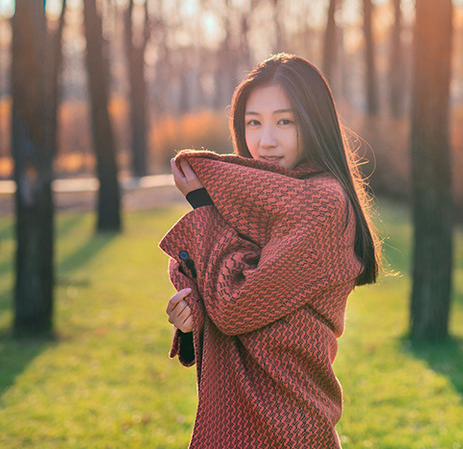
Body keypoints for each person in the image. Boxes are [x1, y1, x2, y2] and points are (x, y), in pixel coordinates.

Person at [160, 53, 381, 449]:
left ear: (313, 123)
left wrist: (203, 207)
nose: (266, 141)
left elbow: (236, 307)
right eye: (253, 123)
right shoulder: (255, 201)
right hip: (234, 426)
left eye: (285, 121)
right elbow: (229, 294)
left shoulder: (323, 204)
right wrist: (192, 318)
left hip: (286, 429)